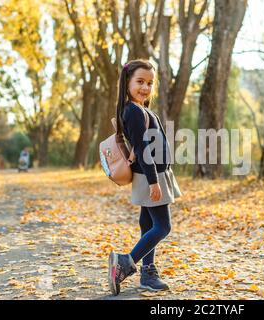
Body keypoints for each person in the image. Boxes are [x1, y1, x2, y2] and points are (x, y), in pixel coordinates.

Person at [108, 59, 182, 295]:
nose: (145, 87)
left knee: (148, 223)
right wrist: (153, 181)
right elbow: (144, 149)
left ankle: (148, 273)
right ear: (127, 82)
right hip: (151, 175)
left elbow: (139, 144)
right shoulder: (133, 111)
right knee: (163, 226)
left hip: (154, 173)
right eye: (140, 81)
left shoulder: (139, 109)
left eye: (150, 83)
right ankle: (125, 263)